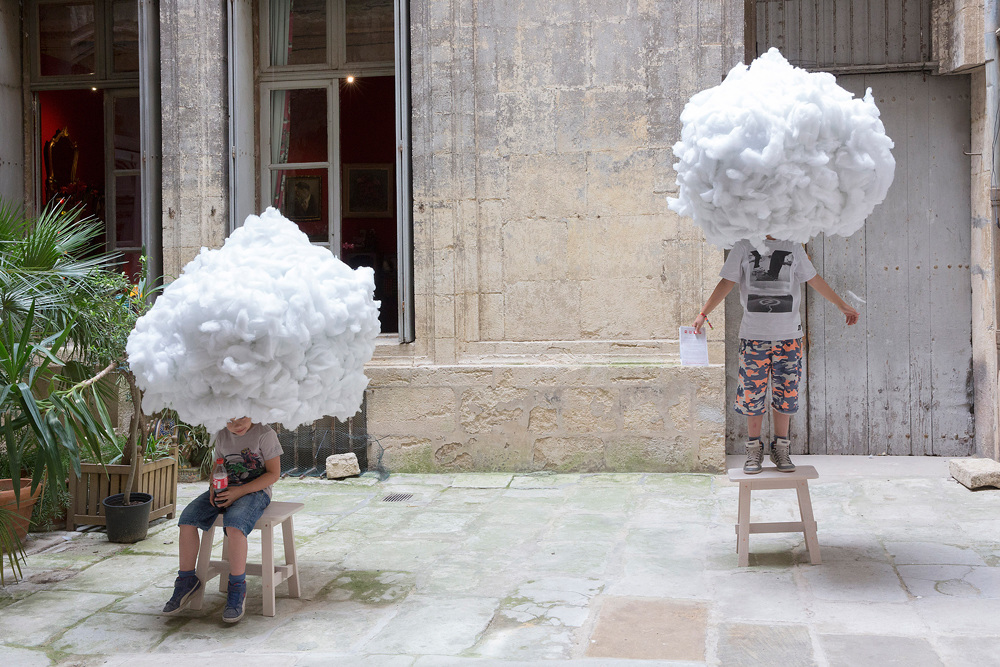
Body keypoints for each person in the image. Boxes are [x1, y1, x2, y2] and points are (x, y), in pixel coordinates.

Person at [694, 237, 859, 474]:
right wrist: (703, 312)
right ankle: (753, 451)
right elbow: (727, 282)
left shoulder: (792, 245)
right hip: (754, 336)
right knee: (752, 395)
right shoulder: (743, 246)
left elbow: (813, 279)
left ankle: (781, 449)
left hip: (789, 337)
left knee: (786, 394)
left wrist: (841, 304)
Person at [162, 417, 282, 622]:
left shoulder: (264, 434)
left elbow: (273, 474)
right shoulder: (221, 434)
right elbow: (218, 466)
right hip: (224, 488)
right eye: (229, 419)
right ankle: (186, 581)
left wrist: (239, 492)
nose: (237, 424)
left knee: (234, 525)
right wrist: (212, 487)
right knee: (188, 519)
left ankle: (236, 587)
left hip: (255, 492)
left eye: (242, 417)